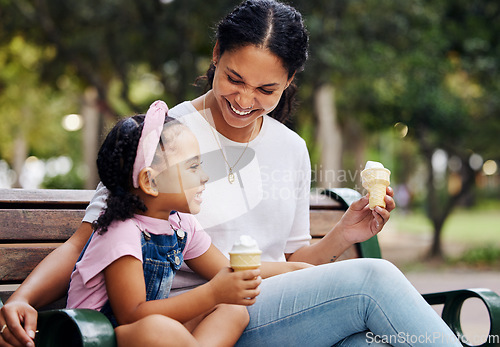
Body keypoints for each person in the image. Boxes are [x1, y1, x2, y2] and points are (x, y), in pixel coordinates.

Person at [0, 1, 461, 346]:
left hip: (256, 308)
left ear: (290, 82)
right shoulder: (166, 139)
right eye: (235, 79)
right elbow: (84, 242)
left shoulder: (291, 149)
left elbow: (292, 262)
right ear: (216, 54)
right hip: (192, 320)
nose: (244, 100)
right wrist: (22, 298)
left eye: (266, 89)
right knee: (372, 279)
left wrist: (342, 235)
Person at [66, 100, 308, 347]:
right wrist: (212, 292)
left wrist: (297, 269)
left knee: (231, 309)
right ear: (151, 181)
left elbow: (226, 268)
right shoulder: (122, 233)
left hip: (152, 331)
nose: (204, 176)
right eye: (193, 167)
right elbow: (131, 315)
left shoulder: (181, 224)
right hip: (97, 339)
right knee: (158, 328)